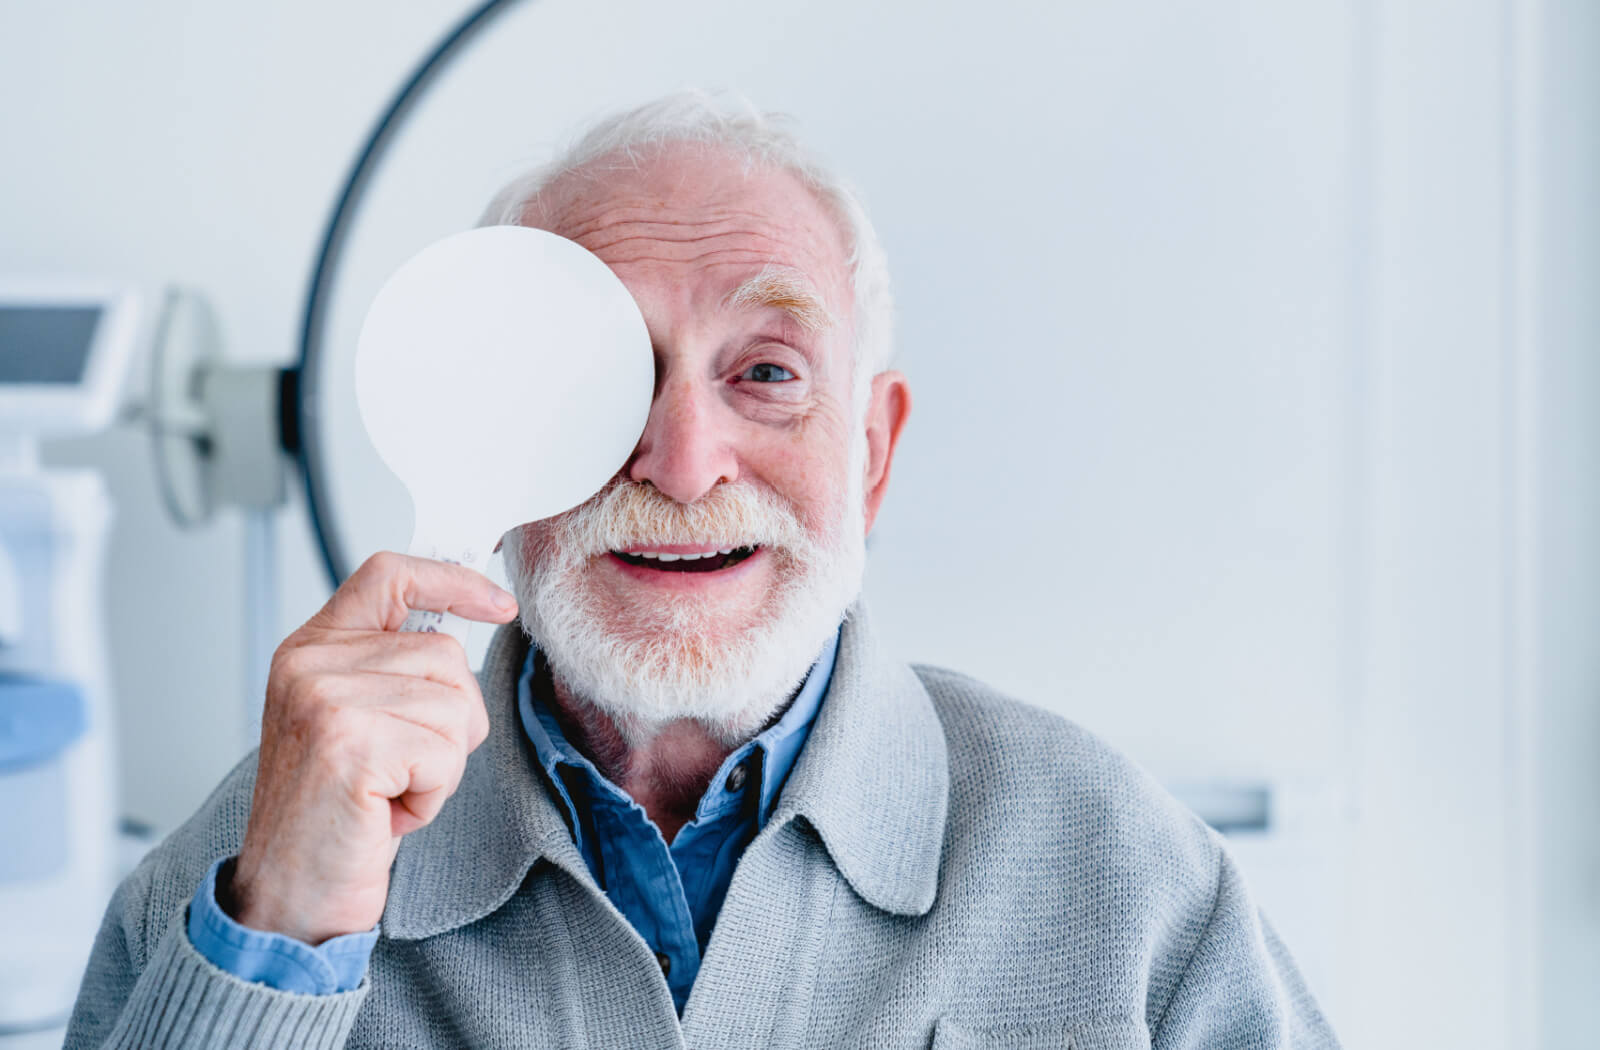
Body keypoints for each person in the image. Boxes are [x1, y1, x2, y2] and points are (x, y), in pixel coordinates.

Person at [64, 93, 1339, 1049]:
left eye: (768, 373)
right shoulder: (256, 861)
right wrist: (281, 935)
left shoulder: (1121, 874)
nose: (680, 463)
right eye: (599, 377)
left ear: (872, 455)